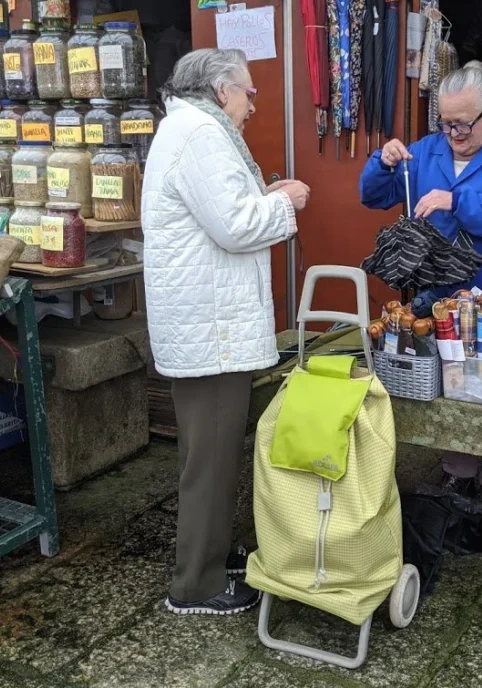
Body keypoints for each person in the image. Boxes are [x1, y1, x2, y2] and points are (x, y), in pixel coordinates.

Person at [142, 48, 311, 615]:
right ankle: (196, 584)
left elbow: (221, 214)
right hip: (208, 332)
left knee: (207, 455)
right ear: (220, 92)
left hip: (203, 326)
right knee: (210, 461)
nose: (253, 104)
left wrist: (265, 198)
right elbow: (236, 226)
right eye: (248, 92)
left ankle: (211, 553)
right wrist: (285, 203)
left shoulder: (190, 128)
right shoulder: (201, 135)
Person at [359, 61, 482, 511]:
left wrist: (457, 199)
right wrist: (381, 162)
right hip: (446, 294)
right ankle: (458, 470)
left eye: (463, 124)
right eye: (445, 123)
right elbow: (374, 196)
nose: (454, 134)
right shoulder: (427, 151)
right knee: (455, 378)